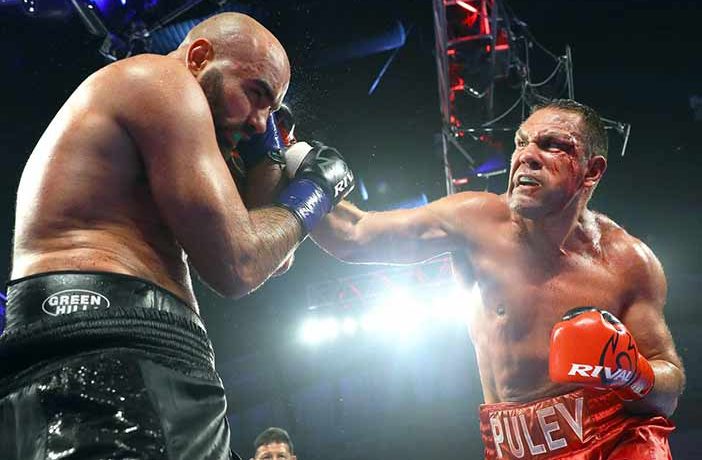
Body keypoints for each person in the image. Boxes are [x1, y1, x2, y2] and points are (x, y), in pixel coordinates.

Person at [0, 12, 353, 460]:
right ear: (200, 58)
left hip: (123, 350)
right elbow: (239, 263)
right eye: (255, 93)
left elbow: (270, 257)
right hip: (110, 347)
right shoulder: (161, 80)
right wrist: (317, 192)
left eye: (272, 107)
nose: (261, 121)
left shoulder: (177, 123)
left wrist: (270, 156)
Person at [310, 99, 685, 459]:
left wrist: (632, 371)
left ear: (592, 170)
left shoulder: (627, 262)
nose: (527, 155)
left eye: (553, 145)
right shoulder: (475, 221)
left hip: (614, 441)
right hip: (512, 447)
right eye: (522, 142)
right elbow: (352, 235)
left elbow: (667, 393)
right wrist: (284, 161)